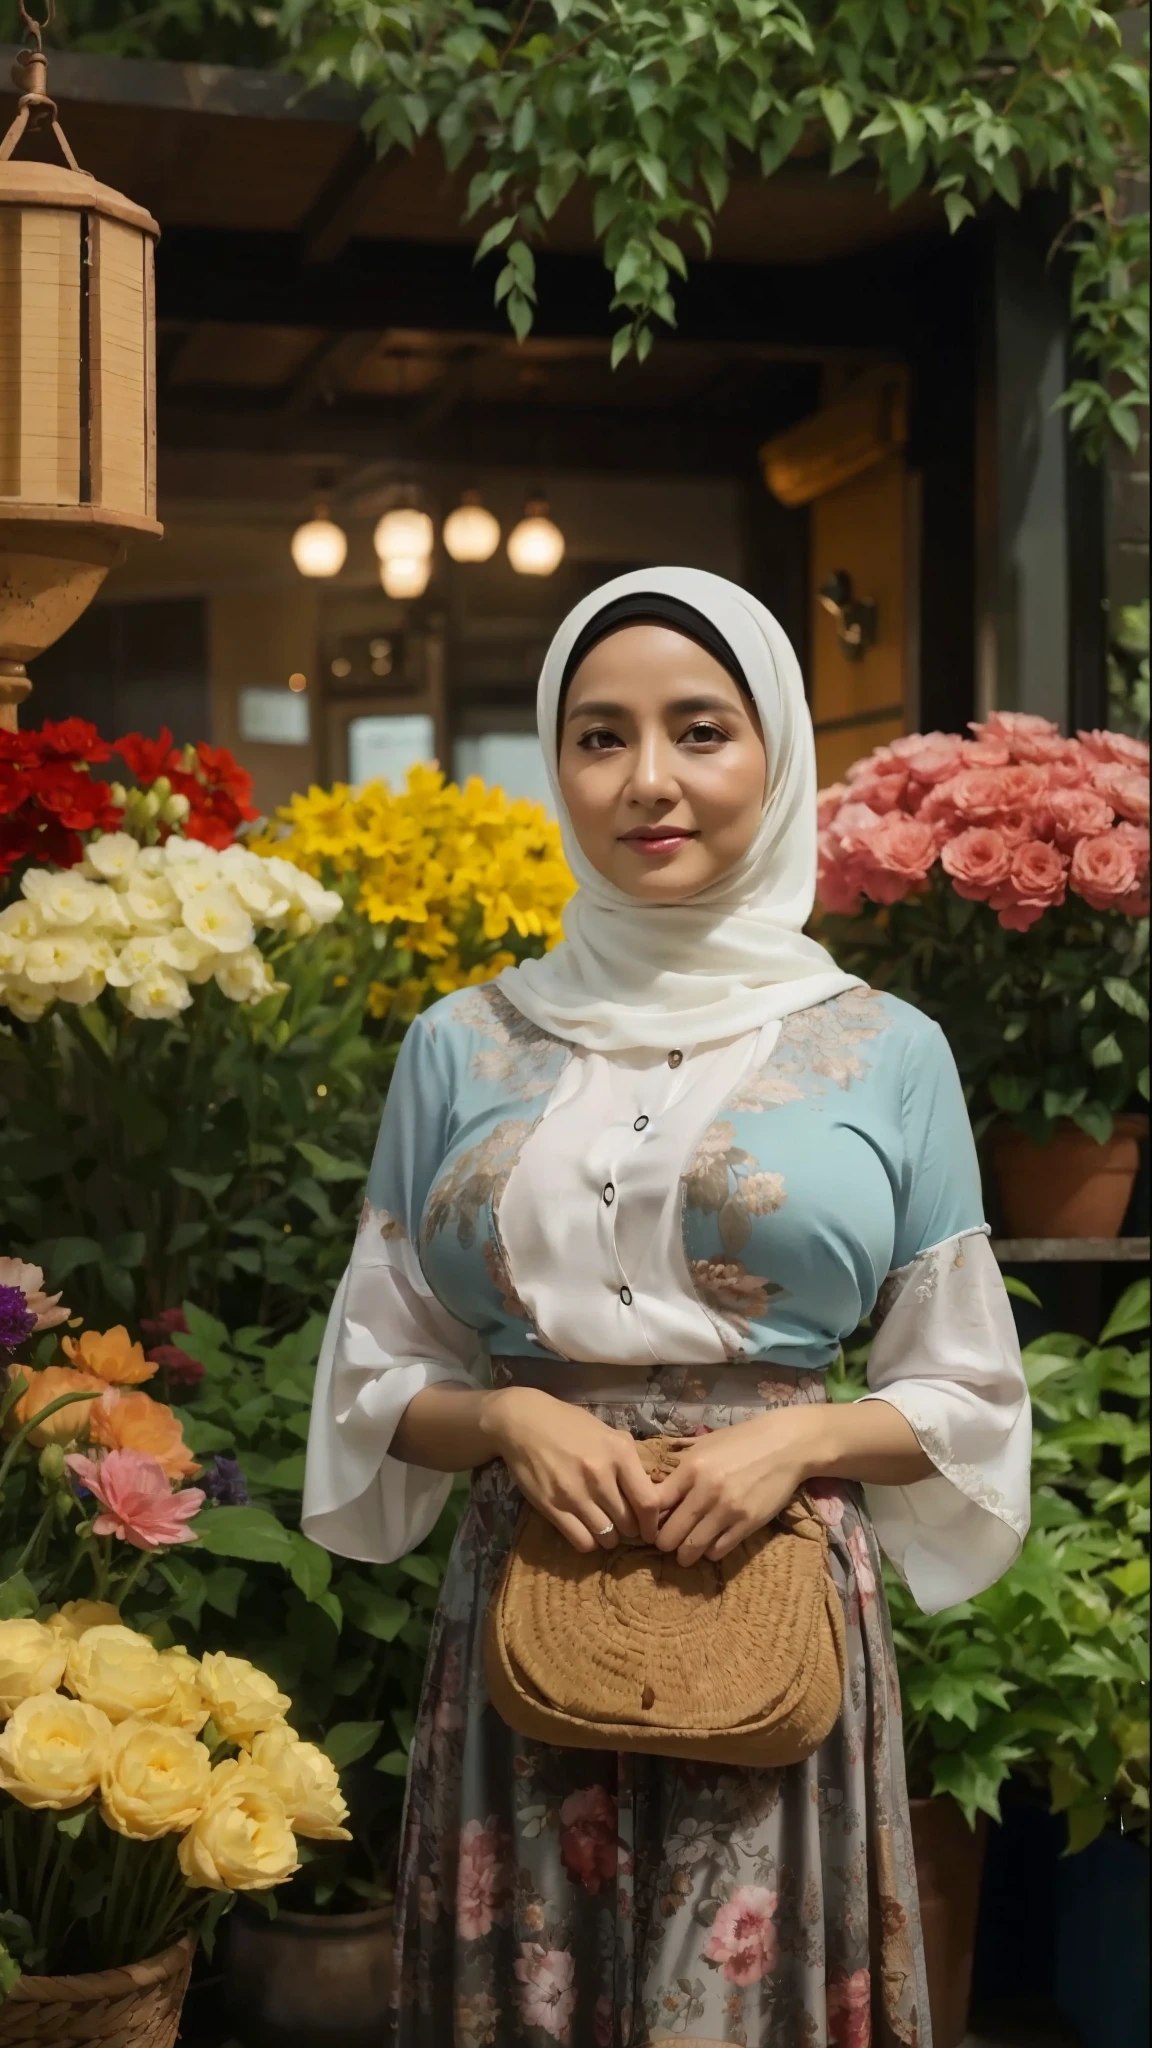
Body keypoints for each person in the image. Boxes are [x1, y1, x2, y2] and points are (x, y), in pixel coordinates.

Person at [303, 567, 1031, 2048]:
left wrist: (799, 1442)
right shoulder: (460, 1044)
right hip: (529, 1608)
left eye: (701, 730)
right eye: (599, 736)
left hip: (766, 1602)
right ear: (554, 761)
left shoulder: (888, 1050)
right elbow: (372, 1378)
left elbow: (966, 1392)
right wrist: (506, 1413)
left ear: (775, 750)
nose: (650, 782)